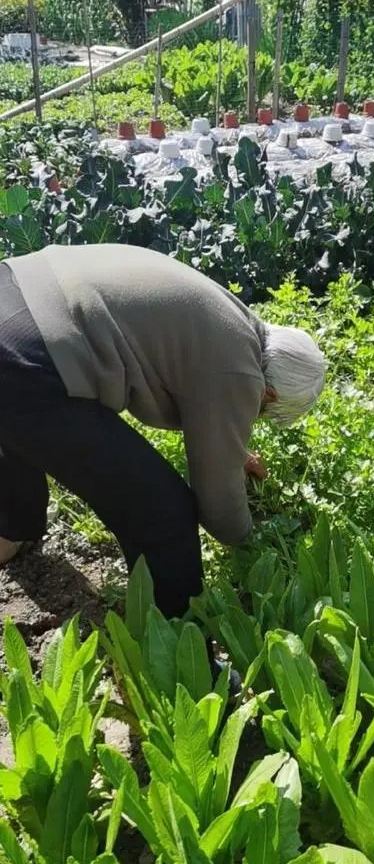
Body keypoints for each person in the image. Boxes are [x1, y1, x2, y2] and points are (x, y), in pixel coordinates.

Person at [0, 244, 325, 620]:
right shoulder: (240, 372)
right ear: (268, 392)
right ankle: (177, 640)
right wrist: (251, 540)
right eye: (263, 410)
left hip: (15, 292)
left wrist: (233, 449)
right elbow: (218, 502)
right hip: (27, 359)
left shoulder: (235, 321)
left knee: (15, 433)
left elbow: (193, 392)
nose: (255, 413)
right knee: (162, 510)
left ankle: (10, 534)